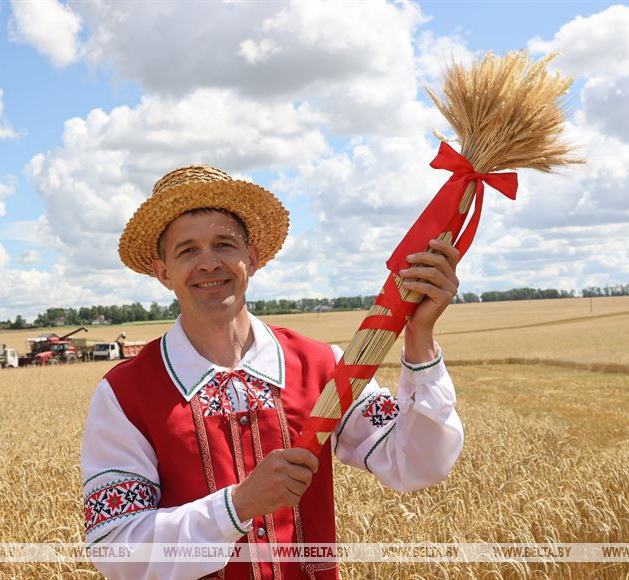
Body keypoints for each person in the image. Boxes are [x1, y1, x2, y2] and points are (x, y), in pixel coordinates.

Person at [81, 165, 464, 579]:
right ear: (163, 273)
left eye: (224, 244)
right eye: (187, 250)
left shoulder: (322, 368)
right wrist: (237, 506)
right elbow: (115, 549)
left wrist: (419, 337)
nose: (209, 263)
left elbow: (415, 464)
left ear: (253, 258)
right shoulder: (125, 395)